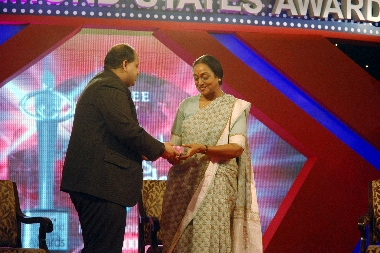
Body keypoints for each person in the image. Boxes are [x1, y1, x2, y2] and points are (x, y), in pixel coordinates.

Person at [60, 43, 180, 253]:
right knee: (105, 249)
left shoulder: (101, 85)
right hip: (100, 185)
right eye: (136, 65)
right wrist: (162, 149)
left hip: (96, 184)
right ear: (125, 64)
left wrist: (143, 151)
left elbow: (113, 136)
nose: (138, 71)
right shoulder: (109, 86)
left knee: (99, 247)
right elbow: (126, 129)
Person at [160, 55, 263, 253]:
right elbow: (176, 144)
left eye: (205, 77)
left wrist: (204, 149)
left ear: (219, 77)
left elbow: (236, 148)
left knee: (209, 238)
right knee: (181, 240)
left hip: (217, 182)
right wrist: (170, 152)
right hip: (184, 182)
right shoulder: (186, 106)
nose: (200, 82)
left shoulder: (234, 108)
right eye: (196, 78)